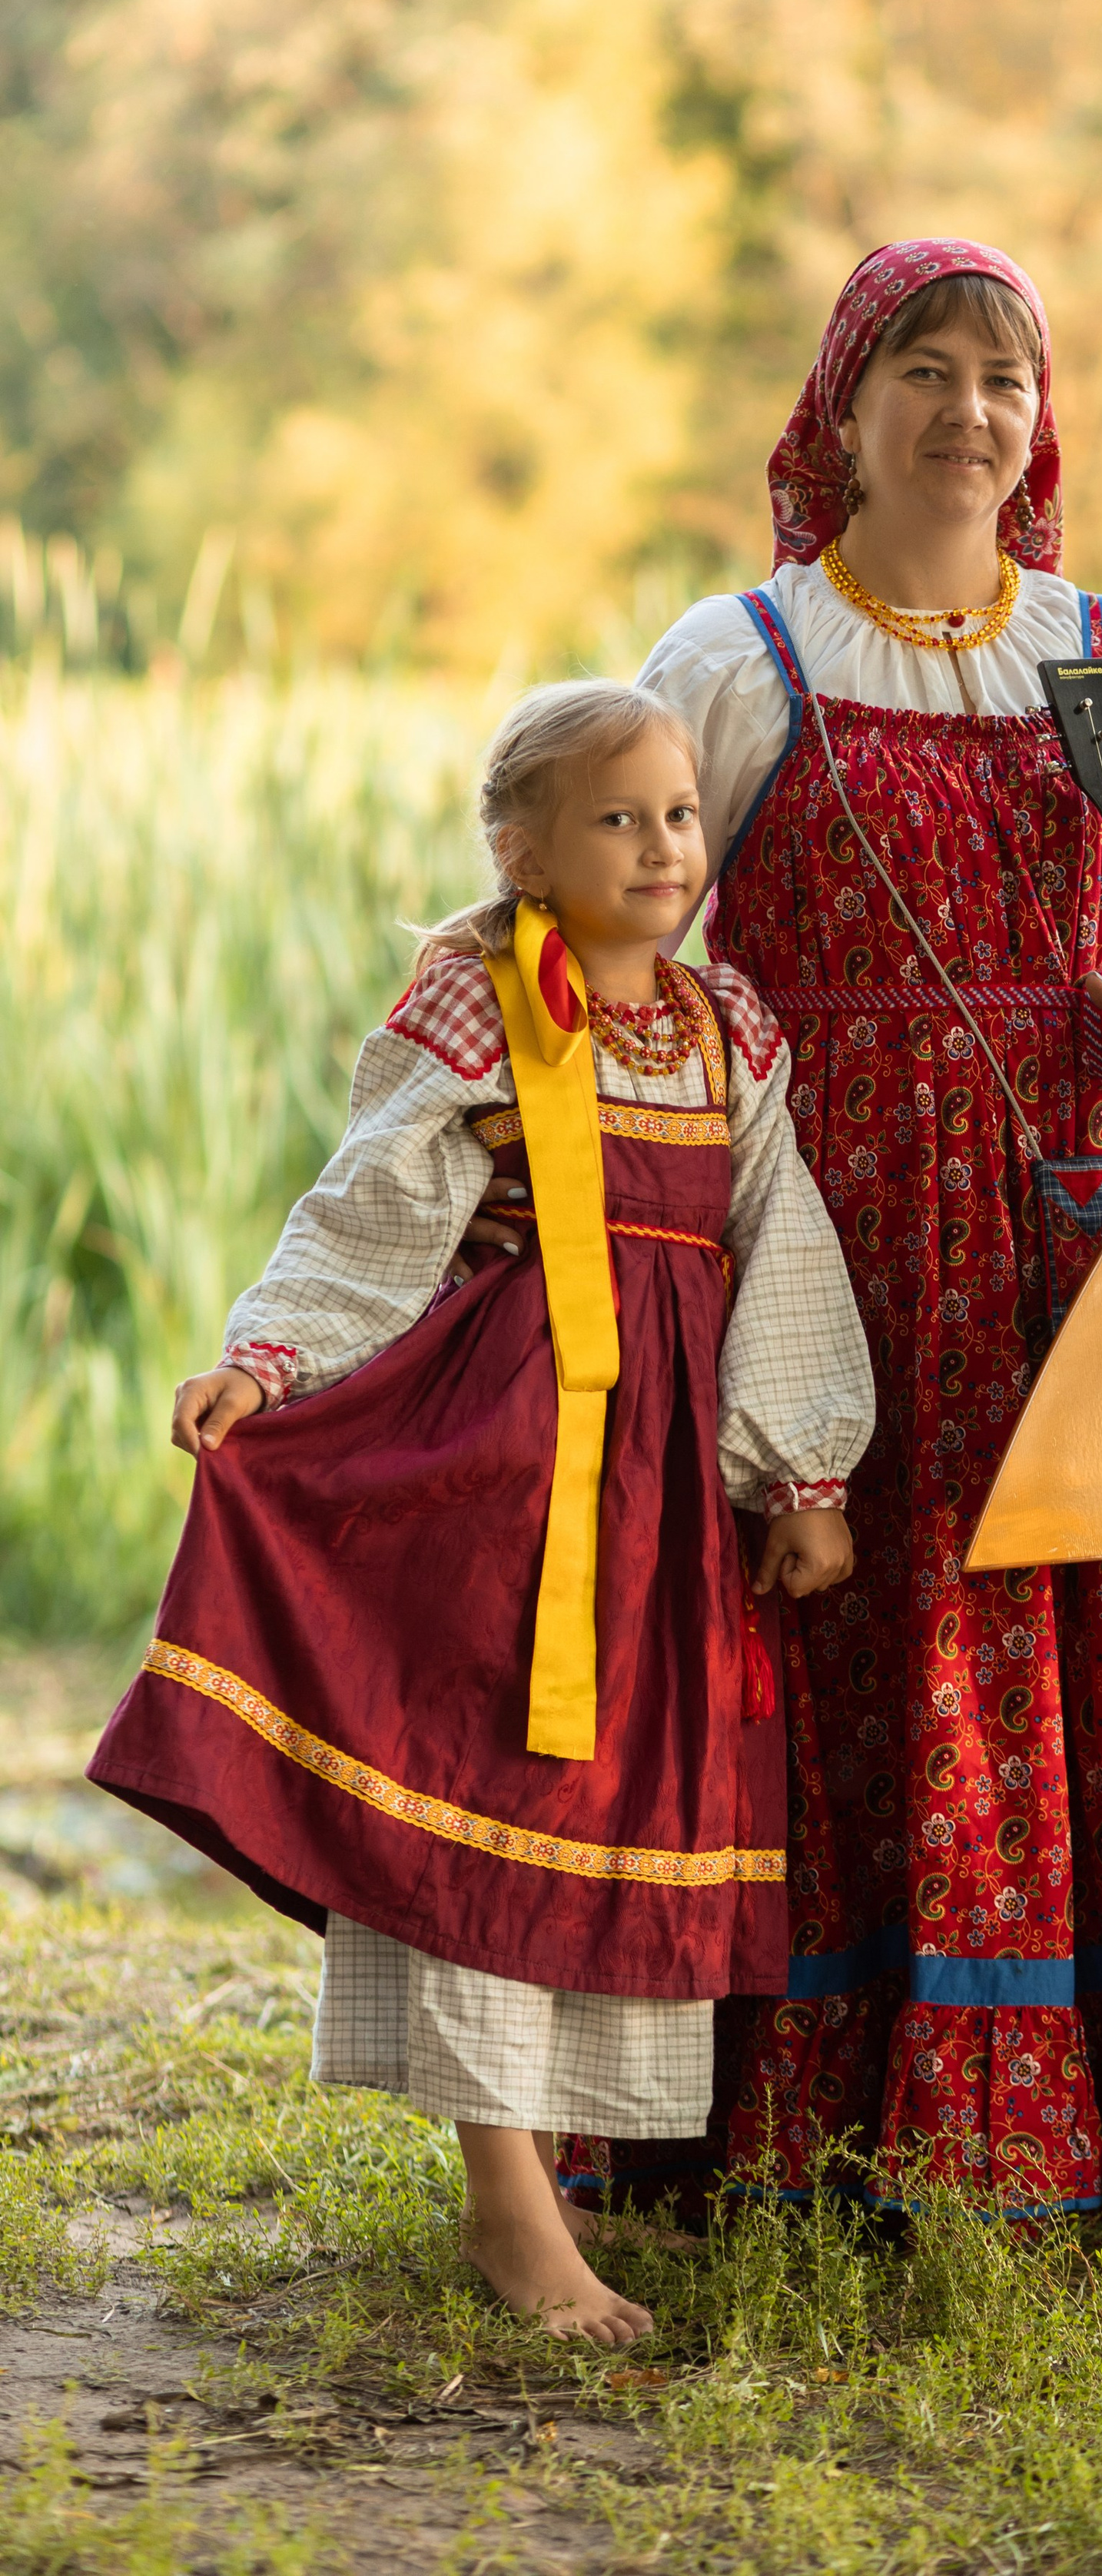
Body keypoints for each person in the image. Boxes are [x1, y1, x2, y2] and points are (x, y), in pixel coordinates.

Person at [622, 237, 1102, 2236]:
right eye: (925, 371)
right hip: (832, 1246)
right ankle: (818, 2136)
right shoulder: (738, 658)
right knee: (851, 1650)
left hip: (1079, 1240)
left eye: (1005, 378)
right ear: (842, 412)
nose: (969, 412)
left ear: (1042, 423)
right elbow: (630, 932)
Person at [89, 680, 875, 2340]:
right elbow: (373, 1205)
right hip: (502, 1456)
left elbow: (780, 1233)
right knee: (482, 1772)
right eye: (616, 818)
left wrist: (801, 1467)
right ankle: (506, 2204)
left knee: (612, 1790)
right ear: (521, 853)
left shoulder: (727, 1024)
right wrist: (270, 1363)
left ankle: (561, 2172)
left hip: (664, 1490)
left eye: (678, 814)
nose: (661, 846)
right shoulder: (488, 1000)